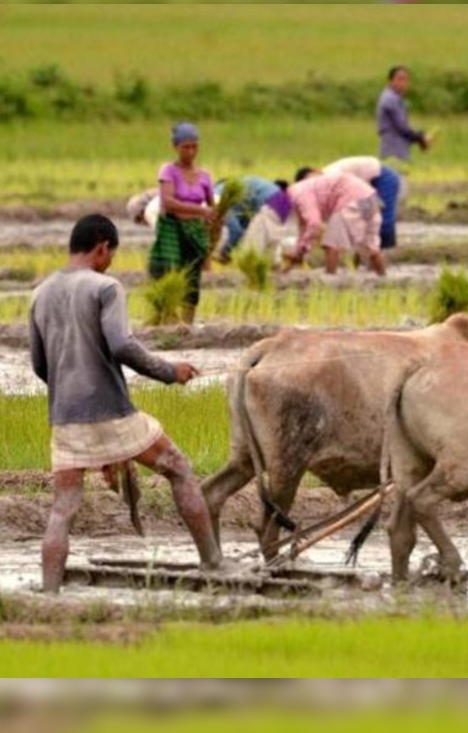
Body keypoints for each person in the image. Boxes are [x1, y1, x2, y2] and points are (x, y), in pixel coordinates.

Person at [29, 215, 222, 593]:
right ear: (102, 247)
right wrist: (170, 371)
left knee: (63, 508)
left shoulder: (40, 293)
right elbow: (121, 345)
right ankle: (214, 564)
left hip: (65, 419)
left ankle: (49, 593)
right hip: (111, 411)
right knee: (180, 469)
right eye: (111, 254)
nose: (111, 262)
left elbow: (40, 365)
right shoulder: (105, 287)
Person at [147, 122, 217, 325]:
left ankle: (187, 325)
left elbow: (213, 208)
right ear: (175, 147)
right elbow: (168, 202)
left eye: (194, 146)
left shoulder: (204, 176)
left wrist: (212, 228)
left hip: (195, 232)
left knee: (192, 278)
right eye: (185, 147)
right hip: (172, 229)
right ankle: (167, 319)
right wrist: (200, 210)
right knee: (169, 272)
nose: (191, 151)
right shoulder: (168, 171)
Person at [283, 167, 386, 276]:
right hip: (372, 198)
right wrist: (298, 251)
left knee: (331, 244)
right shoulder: (301, 192)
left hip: (352, 198)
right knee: (371, 246)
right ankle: (384, 279)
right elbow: (303, 227)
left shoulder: (297, 193)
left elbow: (314, 223)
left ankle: (329, 281)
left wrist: (301, 250)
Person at [323, 156, 404, 248]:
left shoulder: (331, 176)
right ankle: (368, 251)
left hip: (383, 177)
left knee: (381, 217)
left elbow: (352, 196)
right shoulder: (324, 181)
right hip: (367, 182)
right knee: (363, 217)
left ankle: (381, 251)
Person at [214, 176, 289, 262]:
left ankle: (224, 255)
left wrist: (225, 252)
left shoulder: (219, 190)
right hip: (284, 203)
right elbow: (245, 223)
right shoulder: (243, 191)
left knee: (249, 240)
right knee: (271, 239)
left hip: (270, 201)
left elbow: (237, 230)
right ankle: (272, 263)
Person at [376, 65, 431, 169]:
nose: (403, 83)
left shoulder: (397, 99)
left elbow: (403, 129)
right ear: (389, 81)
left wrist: (420, 139)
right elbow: (402, 127)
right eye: (399, 79)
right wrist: (420, 137)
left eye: (406, 80)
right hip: (393, 153)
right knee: (397, 183)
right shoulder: (389, 99)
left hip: (399, 153)